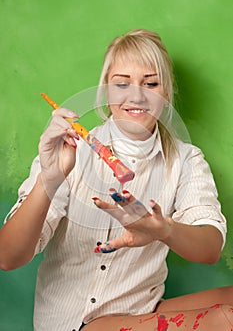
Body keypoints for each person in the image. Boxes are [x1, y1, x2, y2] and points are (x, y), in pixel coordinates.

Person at [0, 29, 232, 331]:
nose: (137, 95)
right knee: (225, 321)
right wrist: (49, 179)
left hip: (140, 311)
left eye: (150, 83)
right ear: (106, 91)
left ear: (166, 93)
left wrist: (165, 230)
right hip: (76, 324)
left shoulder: (186, 160)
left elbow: (210, 249)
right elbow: (8, 257)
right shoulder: (68, 151)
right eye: (122, 83)